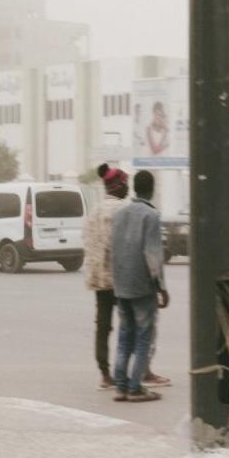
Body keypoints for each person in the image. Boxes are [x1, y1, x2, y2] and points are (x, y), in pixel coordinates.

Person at [108, 170, 169, 403]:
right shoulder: (151, 216)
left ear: (134, 187)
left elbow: (114, 250)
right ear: (151, 189)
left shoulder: (120, 214)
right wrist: (162, 287)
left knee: (125, 336)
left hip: (122, 284)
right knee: (144, 337)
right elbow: (152, 255)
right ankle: (135, 388)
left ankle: (121, 386)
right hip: (142, 287)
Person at [83, 163, 129, 390]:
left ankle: (104, 373)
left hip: (99, 280)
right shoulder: (122, 210)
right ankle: (127, 371)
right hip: (120, 278)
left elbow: (89, 244)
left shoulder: (94, 211)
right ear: (119, 186)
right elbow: (123, 246)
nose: (128, 189)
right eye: (126, 185)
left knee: (103, 326)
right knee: (128, 324)